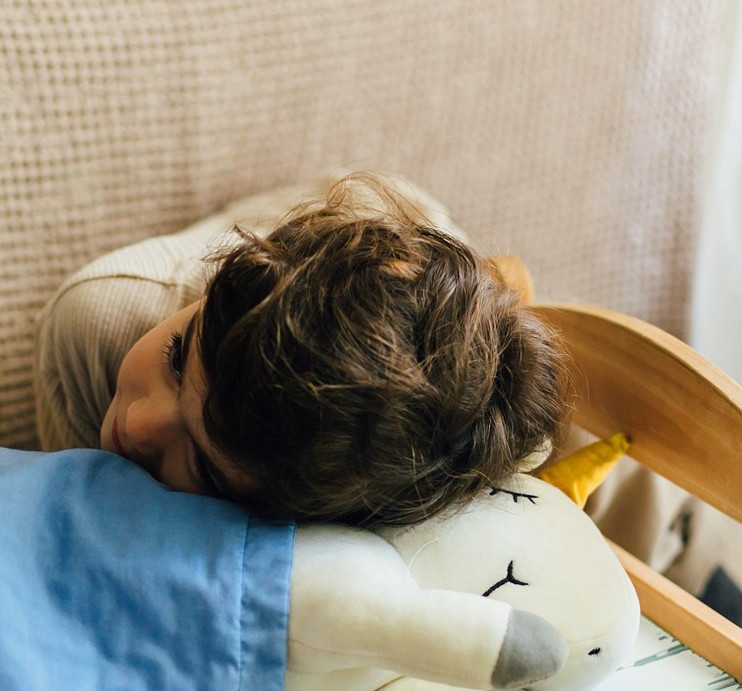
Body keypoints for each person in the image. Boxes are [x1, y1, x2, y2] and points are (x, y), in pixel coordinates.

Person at [35, 172, 570, 529]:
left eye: (202, 465)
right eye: (177, 358)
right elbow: (88, 539)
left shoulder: (372, 473)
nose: (139, 424)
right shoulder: (94, 322)